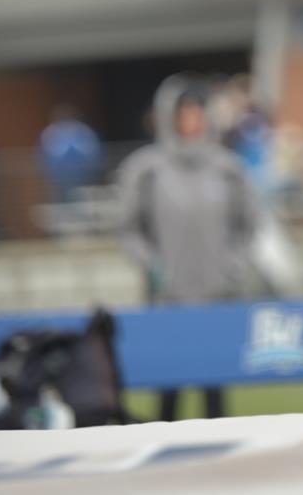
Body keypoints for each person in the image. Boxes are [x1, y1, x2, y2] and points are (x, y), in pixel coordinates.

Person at [117, 78, 264, 421]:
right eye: (184, 115)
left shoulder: (228, 168)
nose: (191, 123)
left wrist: (234, 265)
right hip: (168, 299)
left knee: (215, 392)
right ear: (170, 118)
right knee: (169, 390)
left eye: (198, 114)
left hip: (217, 296)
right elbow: (129, 228)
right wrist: (151, 266)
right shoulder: (147, 169)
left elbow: (250, 225)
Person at [38, 104, 103, 205]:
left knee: (81, 201)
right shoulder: (50, 131)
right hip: (58, 178)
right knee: (61, 203)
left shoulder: (82, 130)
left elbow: (91, 151)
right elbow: (45, 154)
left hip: (81, 175)